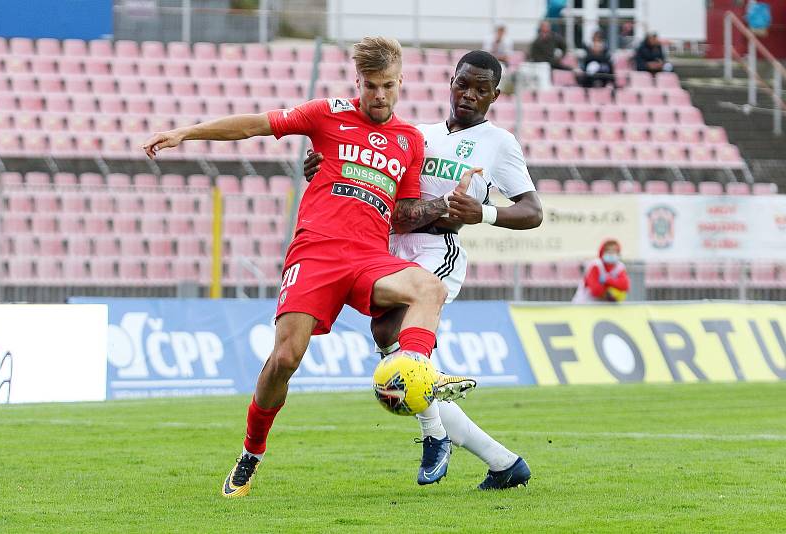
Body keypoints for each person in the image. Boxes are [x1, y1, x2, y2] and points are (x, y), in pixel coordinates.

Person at [142, 36, 473, 497]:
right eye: (371, 86)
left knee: (428, 289)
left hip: (370, 256)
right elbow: (256, 126)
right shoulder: (326, 113)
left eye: (388, 86)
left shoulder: (410, 141)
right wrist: (187, 133)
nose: (379, 95)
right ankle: (251, 453)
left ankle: (417, 373)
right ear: (358, 81)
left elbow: (404, 212)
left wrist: (449, 206)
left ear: (402, 82)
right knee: (284, 359)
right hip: (316, 253)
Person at [305, 50, 543, 490]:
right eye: (462, 84)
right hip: (390, 245)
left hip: (438, 249)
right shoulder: (419, 134)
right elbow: (372, 167)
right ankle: (504, 463)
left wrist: (483, 212)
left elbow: (532, 212)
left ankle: (435, 435)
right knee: (389, 346)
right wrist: (322, 166)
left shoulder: (499, 143)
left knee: (396, 348)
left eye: (480, 89)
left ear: (495, 95)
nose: (468, 94)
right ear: (450, 82)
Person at [572, 239, 630, 303]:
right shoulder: (596, 265)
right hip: (586, 303)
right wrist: (614, 286)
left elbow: (625, 286)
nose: (611, 254)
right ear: (602, 252)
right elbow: (596, 291)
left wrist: (607, 280)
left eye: (614, 251)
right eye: (608, 251)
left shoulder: (620, 266)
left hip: (607, 305)